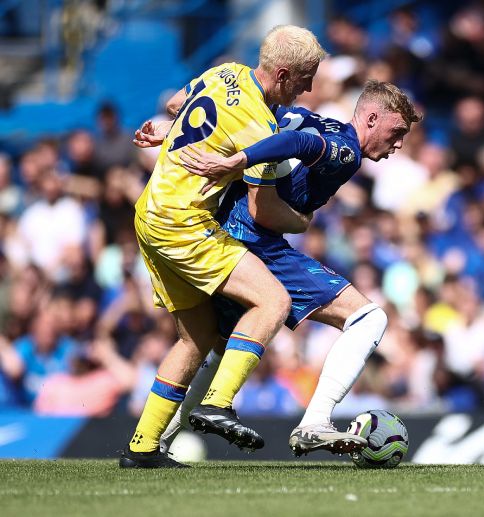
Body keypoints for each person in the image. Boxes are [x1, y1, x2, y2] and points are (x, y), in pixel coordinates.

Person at [149, 80, 421, 456]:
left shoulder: (311, 118)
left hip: (226, 229)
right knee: (368, 319)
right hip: (256, 238)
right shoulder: (345, 150)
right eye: (397, 132)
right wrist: (238, 162)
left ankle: (156, 443)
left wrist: (176, 127)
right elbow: (297, 145)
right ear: (372, 118)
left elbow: (253, 116)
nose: (399, 144)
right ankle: (315, 421)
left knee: (220, 343)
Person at [120, 25, 325, 469]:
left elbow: (177, 105)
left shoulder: (225, 72)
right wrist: (303, 221)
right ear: (285, 74)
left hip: (149, 212)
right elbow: (262, 210)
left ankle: (142, 446)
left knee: (197, 337)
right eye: (306, 77)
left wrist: (176, 137)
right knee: (272, 301)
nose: (309, 88)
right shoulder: (261, 128)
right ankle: (217, 403)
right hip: (183, 222)